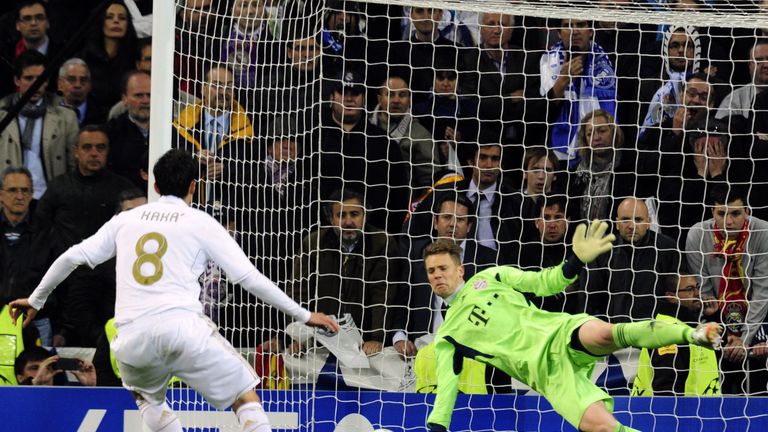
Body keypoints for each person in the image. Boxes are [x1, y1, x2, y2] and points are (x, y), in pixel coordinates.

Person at [9, 149, 339, 432]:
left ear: (153, 185)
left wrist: (37, 298)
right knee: (245, 396)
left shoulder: (126, 219)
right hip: (183, 328)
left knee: (144, 395)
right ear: (195, 186)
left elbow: (71, 256)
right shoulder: (200, 220)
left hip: (131, 337)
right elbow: (248, 278)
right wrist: (304, 314)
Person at [423, 224, 722, 432]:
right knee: (602, 426)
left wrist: (575, 260)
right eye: (431, 271)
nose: (437, 276)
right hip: (548, 375)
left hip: (558, 331)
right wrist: (437, 428)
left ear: (460, 269)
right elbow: (446, 391)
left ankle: (692, 334)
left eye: (443, 268)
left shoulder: (491, 277)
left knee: (606, 333)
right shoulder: (448, 335)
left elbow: (544, 283)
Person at [0, 50, 79, 200]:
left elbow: (73, 165)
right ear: (17, 80)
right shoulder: (2, 114)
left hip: (50, 198)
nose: (35, 85)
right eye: (29, 78)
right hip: (10, 200)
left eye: (40, 79)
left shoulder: (66, 117)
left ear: (47, 81)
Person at [631, 274, 720, 396]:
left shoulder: (688, 324)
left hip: (701, 411)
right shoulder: (665, 329)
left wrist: (712, 317)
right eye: (690, 289)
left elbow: (720, 355)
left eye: (697, 287)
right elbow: (666, 387)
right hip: (678, 412)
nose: (697, 293)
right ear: (672, 297)